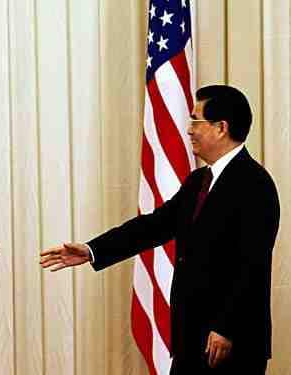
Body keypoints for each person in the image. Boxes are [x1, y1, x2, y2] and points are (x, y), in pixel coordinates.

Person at [40, 85, 279, 374]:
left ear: (221, 127)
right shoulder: (198, 181)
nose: (189, 130)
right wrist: (92, 250)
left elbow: (251, 264)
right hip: (192, 338)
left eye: (196, 121)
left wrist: (225, 327)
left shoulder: (254, 184)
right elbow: (153, 226)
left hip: (229, 342)